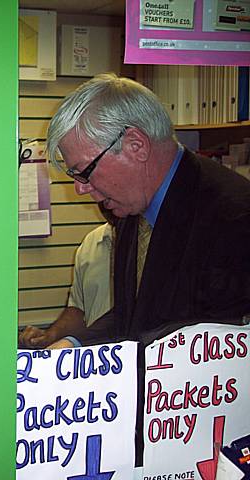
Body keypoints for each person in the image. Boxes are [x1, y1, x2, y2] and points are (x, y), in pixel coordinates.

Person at [44, 73, 250, 348]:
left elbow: (213, 344)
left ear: (136, 145)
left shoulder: (234, 219)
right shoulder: (133, 203)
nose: (80, 189)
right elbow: (135, 314)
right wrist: (73, 344)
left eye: (85, 171)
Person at [19, 201, 117, 348]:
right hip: (96, 359)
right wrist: (50, 336)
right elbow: (78, 309)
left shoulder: (152, 242)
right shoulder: (91, 242)